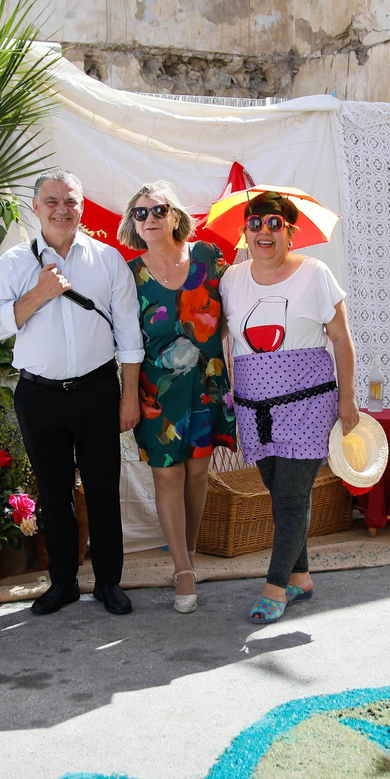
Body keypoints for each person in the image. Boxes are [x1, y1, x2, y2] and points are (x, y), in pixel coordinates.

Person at [0, 169, 143, 616]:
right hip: (39, 396)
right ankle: (64, 583)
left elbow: (129, 335)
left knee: (103, 491)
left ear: (81, 207)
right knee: (54, 496)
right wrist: (39, 294)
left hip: (97, 391)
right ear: (36, 208)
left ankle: (108, 582)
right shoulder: (15, 262)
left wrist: (129, 396)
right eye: (51, 201)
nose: (61, 209)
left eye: (70, 201)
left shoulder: (108, 260)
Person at [219, 190, 359, 624]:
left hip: (308, 406)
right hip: (254, 410)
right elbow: (220, 335)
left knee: (293, 496)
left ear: (291, 232)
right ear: (245, 233)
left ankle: (275, 585)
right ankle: (301, 576)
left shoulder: (315, 274)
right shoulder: (230, 279)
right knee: (280, 494)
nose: (264, 231)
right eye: (255, 223)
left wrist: (348, 398)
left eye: (274, 223)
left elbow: (341, 338)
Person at [118, 182, 236, 613]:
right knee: (167, 475)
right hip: (156, 390)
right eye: (140, 213)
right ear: (133, 224)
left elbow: (237, 308)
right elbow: (127, 342)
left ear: (174, 216)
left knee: (198, 473)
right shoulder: (129, 274)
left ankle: (186, 554)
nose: (149, 218)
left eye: (158, 210)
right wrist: (128, 397)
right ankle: (184, 570)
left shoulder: (208, 256)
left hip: (207, 382)